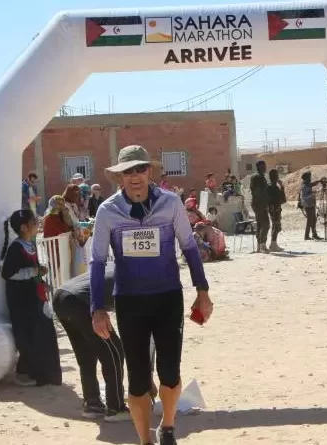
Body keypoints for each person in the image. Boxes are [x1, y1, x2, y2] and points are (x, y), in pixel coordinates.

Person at [90, 145, 213, 445]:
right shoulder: (107, 211)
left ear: (149, 171)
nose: (135, 176)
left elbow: (189, 247)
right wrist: (97, 309)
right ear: (120, 176)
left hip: (167, 297)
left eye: (140, 169)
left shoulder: (170, 203)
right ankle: (144, 439)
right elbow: (97, 261)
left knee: (169, 371)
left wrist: (203, 291)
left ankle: (167, 427)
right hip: (130, 301)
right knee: (138, 378)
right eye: (128, 171)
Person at [52, 270, 130, 421]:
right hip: (79, 302)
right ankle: (116, 407)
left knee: (86, 353)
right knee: (114, 350)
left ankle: (92, 404)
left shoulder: (118, 267)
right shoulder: (134, 281)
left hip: (60, 297)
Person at [0, 209, 61, 387]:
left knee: (42, 334)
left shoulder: (30, 244)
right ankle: (24, 373)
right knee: (28, 336)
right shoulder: (16, 248)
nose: (37, 223)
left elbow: (33, 270)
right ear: (24, 227)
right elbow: (8, 274)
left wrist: (41, 281)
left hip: (34, 297)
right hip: (22, 301)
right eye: (33, 221)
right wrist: (34, 271)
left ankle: (45, 374)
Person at [249, 160, 271, 253]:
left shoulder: (261, 177)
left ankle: (259, 246)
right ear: (258, 167)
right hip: (259, 204)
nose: (265, 168)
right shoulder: (258, 177)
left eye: (265, 166)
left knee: (260, 224)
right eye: (263, 166)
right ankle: (262, 245)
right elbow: (258, 192)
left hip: (258, 203)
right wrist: (263, 204)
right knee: (266, 224)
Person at [299, 172, 323, 241]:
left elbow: (313, 184)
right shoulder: (304, 186)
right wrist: (315, 192)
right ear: (306, 178)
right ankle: (306, 236)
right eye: (309, 177)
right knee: (310, 220)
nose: (310, 179)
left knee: (314, 219)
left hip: (311, 204)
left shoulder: (307, 184)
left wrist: (319, 181)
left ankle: (314, 234)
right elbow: (305, 196)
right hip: (307, 205)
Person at [266, 169, 286, 252]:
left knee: (276, 226)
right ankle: (273, 244)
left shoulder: (270, 186)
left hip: (274, 209)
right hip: (275, 209)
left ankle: (273, 243)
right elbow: (282, 199)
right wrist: (282, 187)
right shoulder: (273, 187)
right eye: (277, 175)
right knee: (276, 226)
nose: (278, 176)